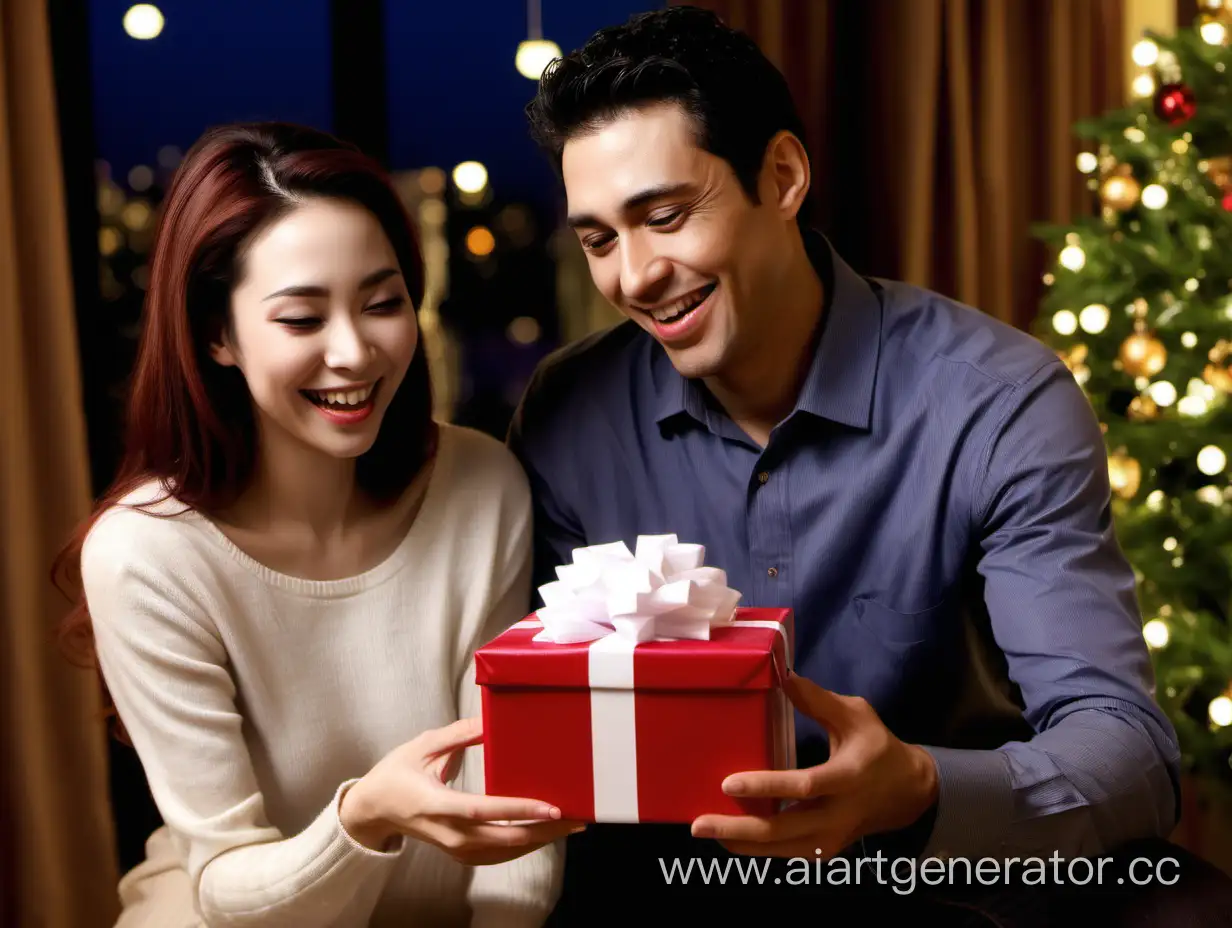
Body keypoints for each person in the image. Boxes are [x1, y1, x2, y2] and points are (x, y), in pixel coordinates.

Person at [509, 7, 1232, 925]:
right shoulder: (570, 415)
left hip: (948, 874)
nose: (635, 275)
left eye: (665, 216)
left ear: (782, 176)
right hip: (681, 877)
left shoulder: (997, 400)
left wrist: (921, 788)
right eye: (599, 238)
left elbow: (1127, 754)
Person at [52, 122, 581, 928]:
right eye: (301, 319)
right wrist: (363, 817)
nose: (355, 352)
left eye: (382, 303)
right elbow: (226, 882)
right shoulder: (145, 553)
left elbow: (513, 800)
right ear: (216, 335)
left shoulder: (480, 487)